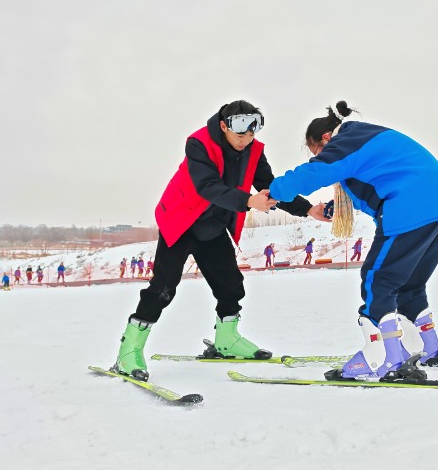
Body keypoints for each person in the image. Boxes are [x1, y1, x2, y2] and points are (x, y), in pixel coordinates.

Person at [110, 99, 326, 381]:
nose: (246, 140)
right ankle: (129, 351)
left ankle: (227, 340)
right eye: (240, 134)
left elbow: (269, 187)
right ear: (224, 126)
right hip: (181, 221)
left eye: (252, 134)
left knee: (231, 285)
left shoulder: (253, 150)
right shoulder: (198, 145)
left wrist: (307, 209)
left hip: (212, 225)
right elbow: (207, 187)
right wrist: (249, 201)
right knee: (163, 288)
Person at [268, 101, 438, 382]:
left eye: (317, 151)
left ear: (325, 138)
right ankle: (430, 349)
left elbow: (318, 171)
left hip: (409, 207)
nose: (321, 155)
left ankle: (384, 358)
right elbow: (378, 180)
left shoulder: (346, 140)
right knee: (410, 285)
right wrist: (336, 208)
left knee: (376, 280)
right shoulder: (368, 136)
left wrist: (275, 191)